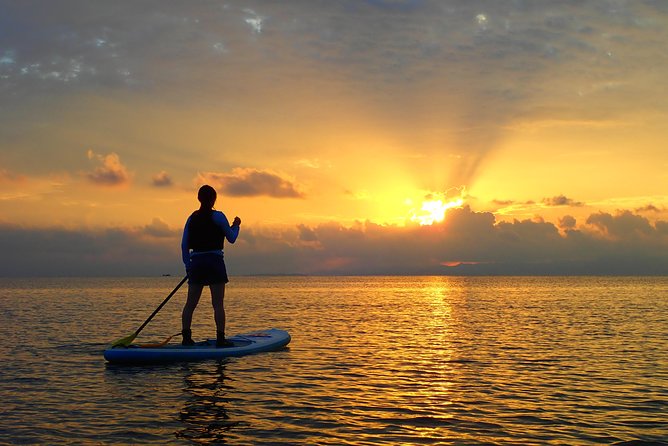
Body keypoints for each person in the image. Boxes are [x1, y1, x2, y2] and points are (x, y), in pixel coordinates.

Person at [181, 184, 241, 347]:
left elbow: (184, 244)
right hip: (214, 262)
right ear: (214, 199)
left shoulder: (191, 218)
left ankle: (186, 338)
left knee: (190, 304)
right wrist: (236, 225)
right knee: (218, 304)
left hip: (197, 263)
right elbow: (232, 238)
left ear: (199, 199)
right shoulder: (219, 217)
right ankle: (221, 339)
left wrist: (188, 265)